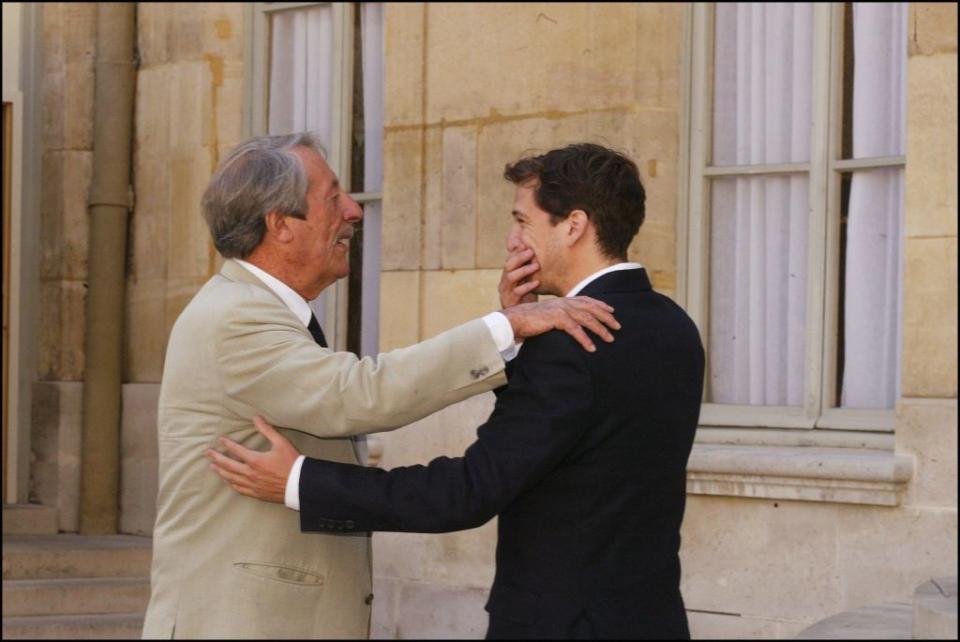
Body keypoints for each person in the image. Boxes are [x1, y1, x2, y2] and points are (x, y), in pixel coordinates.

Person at [208, 143, 706, 639]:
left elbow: (468, 492)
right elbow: (575, 454)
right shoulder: (674, 326)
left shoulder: (569, 344)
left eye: (522, 221)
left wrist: (300, 480)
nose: (512, 241)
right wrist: (520, 335)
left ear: (573, 226)